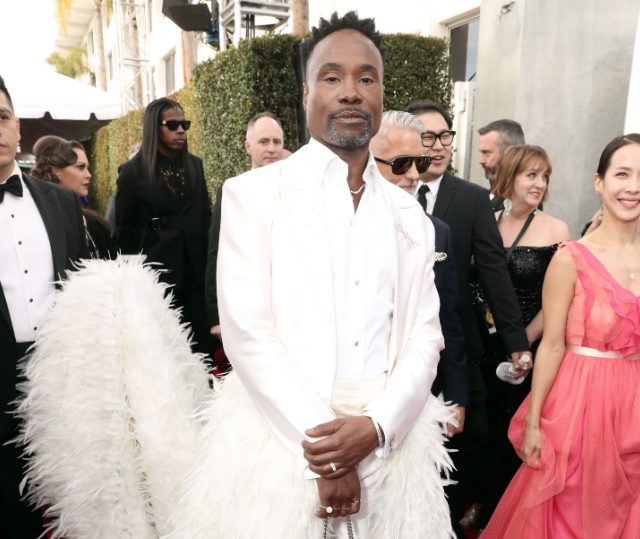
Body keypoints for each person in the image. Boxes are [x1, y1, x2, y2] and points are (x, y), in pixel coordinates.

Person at [173, 12, 454, 539]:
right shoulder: (253, 195)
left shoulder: (409, 216)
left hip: (389, 451)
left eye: (366, 78)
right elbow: (246, 332)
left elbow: (424, 335)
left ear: (381, 92)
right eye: (332, 77)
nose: (350, 91)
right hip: (280, 447)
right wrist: (327, 453)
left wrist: (375, 428)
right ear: (306, 93)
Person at [483, 135, 640, 539]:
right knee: (569, 514)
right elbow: (551, 344)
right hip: (579, 408)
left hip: (634, 409)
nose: (634, 186)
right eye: (622, 173)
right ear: (599, 182)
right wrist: (533, 420)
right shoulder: (570, 257)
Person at [405, 98, 530, 539]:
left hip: (458, 345)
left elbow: (494, 270)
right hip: (400, 348)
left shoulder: (474, 198)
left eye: (445, 136)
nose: (437, 146)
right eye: (427, 136)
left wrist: (517, 342)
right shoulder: (382, 193)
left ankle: (449, 520)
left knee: (468, 437)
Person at [0, 75, 89, 539]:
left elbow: (79, 286)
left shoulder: (60, 202)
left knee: (75, 504)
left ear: (18, 126)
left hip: (63, 378)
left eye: (2, 117)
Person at [465, 145, 570, 533]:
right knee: (478, 425)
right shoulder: (484, 217)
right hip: (478, 344)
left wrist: (522, 341)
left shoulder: (556, 230)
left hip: (527, 346)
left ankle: (491, 508)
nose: (539, 183)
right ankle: (468, 496)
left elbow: (558, 298)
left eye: (544, 176)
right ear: (509, 176)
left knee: (508, 428)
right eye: (531, 175)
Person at [371, 110, 468, 436]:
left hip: (418, 394)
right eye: (401, 163)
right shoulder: (337, 227)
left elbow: (448, 320)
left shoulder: (437, 232)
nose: (414, 175)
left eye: (421, 163)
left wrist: (455, 397)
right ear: (370, 163)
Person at [116, 97, 216, 365]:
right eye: (172, 124)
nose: (180, 130)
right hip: (160, 277)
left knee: (205, 350)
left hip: (197, 273)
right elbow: (124, 234)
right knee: (171, 353)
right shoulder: (131, 172)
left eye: (184, 124)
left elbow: (206, 218)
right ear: (154, 128)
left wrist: (212, 269)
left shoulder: (195, 165)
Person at [205, 112, 285, 345]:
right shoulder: (233, 191)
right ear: (248, 146)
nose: (271, 148)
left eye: (277, 142)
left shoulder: (299, 189)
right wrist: (216, 315)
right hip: (248, 305)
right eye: (264, 141)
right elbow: (216, 252)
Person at [31, 135, 116, 260]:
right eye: (80, 167)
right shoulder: (35, 221)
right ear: (56, 171)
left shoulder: (95, 224)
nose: (88, 175)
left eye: (88, 168)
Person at [477, 119, 526, 211]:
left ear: (510, 153)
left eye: (486, 152)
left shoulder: (524, 199)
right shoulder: (487, 195)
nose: (481, 161)